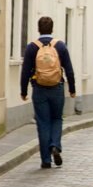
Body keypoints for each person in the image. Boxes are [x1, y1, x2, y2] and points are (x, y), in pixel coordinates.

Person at [20, 16, 76, 169]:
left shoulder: (32, 47)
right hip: (57, 87)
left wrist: (23, 90)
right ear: (52, 29)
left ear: (38, 29)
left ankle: (45, 160)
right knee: (57, 119)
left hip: (39, 88)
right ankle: (55, 145)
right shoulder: (60, 46)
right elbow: (69, 70)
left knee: (43, 122)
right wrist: (72, 89)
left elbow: (25, 71)